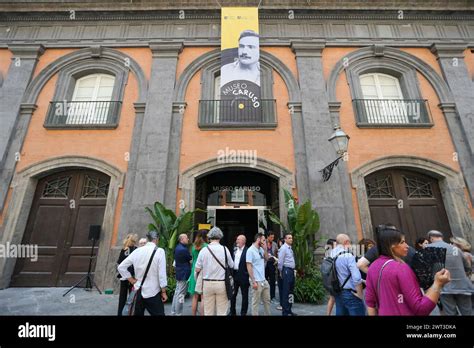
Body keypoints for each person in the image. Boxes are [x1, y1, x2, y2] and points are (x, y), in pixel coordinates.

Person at [366, 228, 451, 316]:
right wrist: (438, 284)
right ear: (392, 246)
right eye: (402, 242)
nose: (407, 246)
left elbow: (370, 304)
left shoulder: (373, 267)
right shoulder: (400, 268)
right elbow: (420, 309)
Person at [118, 231, 167, 316]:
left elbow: (121, 267)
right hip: (153, 292)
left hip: (138, 291)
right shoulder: (160, 251)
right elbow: (162, 274)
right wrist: (163, 291)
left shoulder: (137, 251)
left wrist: (132, 280)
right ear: (157, 239)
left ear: (147, 239)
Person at [426, 230, 474, 315]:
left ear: (431, 238)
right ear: (442, 237)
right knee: (467, 312)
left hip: (444, 287)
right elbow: (467, 267)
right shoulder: (456, 249)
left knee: (450, 313)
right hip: (462, 286)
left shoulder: (427, 249)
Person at [195, 227, 234, 316]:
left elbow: (197, 268)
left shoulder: (203, 250)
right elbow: (232, 265)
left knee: (208, 312)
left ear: (209, 237)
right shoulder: (224, 249)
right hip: (221, 284)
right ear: (220, 237)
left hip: (207, 283)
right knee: (222, 312)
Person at [330, 234, 365, 316]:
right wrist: (360, 295)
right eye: (350, 243)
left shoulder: (331, 254)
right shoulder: (348, 256)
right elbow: (356, 278)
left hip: (337, 291)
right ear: (346, 242)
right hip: (350, 293)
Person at [247, 232, 271, 316]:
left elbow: (267, 259)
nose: (265, 242)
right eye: (263, 240)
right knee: (255, 302)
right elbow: (249, 266)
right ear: (258, 239)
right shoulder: (250, 250)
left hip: (263, 280)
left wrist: (265, 249)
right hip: (256, 280)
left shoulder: (261, 249)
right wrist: (253, 281)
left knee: (267, 300)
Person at [188, 230, 208, 316]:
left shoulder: (193, 246)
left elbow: (192, 259)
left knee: (195, 297)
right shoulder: (206, 246)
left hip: (194, 271)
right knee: (203, 297)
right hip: (203, 271)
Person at [116, 233, 138, 316]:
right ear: (134, 241)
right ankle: (130, 312)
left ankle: (120, 313)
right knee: (132, 297)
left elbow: (119, 263)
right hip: (132, 276)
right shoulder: (136, 249)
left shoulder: (124, 249)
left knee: (122, 296)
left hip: (123, 276)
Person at [171, 234, 192, 316]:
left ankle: (173, 312)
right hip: (184, 274)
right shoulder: (183, 249)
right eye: (187, 238)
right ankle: (178, 313)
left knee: (177, 293)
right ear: (182, 239)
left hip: (179, 273)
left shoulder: (177, 247)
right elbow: (190, 258)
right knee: (181, 295)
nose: (188, 239)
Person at [278, 233, 297, 316]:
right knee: (286, 291)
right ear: (285, 239)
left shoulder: (290, 248)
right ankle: (285, 311)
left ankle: (289, 309)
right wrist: (280, 272)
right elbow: (280, 262)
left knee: (291, 291)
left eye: (291, 238)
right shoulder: (283, 248)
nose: (291, 239)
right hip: (286, 270)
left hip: (291, 271)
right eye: (289, 238)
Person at [230, 235, 249, 316]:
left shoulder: (248, 250)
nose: (237, 241)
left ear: (244, 241)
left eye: (238, 239)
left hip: (244, 276)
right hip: (235, 275)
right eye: (236, 239)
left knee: (245, 296)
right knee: (233, 295)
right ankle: (232, 312)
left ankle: (243, 313)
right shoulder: (234, 249)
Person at [265, 231, 278, 303]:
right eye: (271, 237)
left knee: (272, 280)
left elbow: (276, 253)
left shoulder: (274, 244)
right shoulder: (263, 243)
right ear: (268, 237)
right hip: (265, 264)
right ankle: (264, 297)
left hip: (272, 263)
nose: (272, 239)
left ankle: (272, 296)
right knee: (264, 280)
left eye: (273, 237)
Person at [324, 238, 337, 315]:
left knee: (332, 298)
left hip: (331, 278)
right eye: (335, 244)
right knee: (333, 298)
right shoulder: (331, 253)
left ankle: (328, 314)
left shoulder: (328, 253)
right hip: (333, 279)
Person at [276, 237, 285, 311]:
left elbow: (280, 262)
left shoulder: (281, 250)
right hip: (286, 271)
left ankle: (282, 304)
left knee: (282, 289)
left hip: (281, 271)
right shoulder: (288, 250)